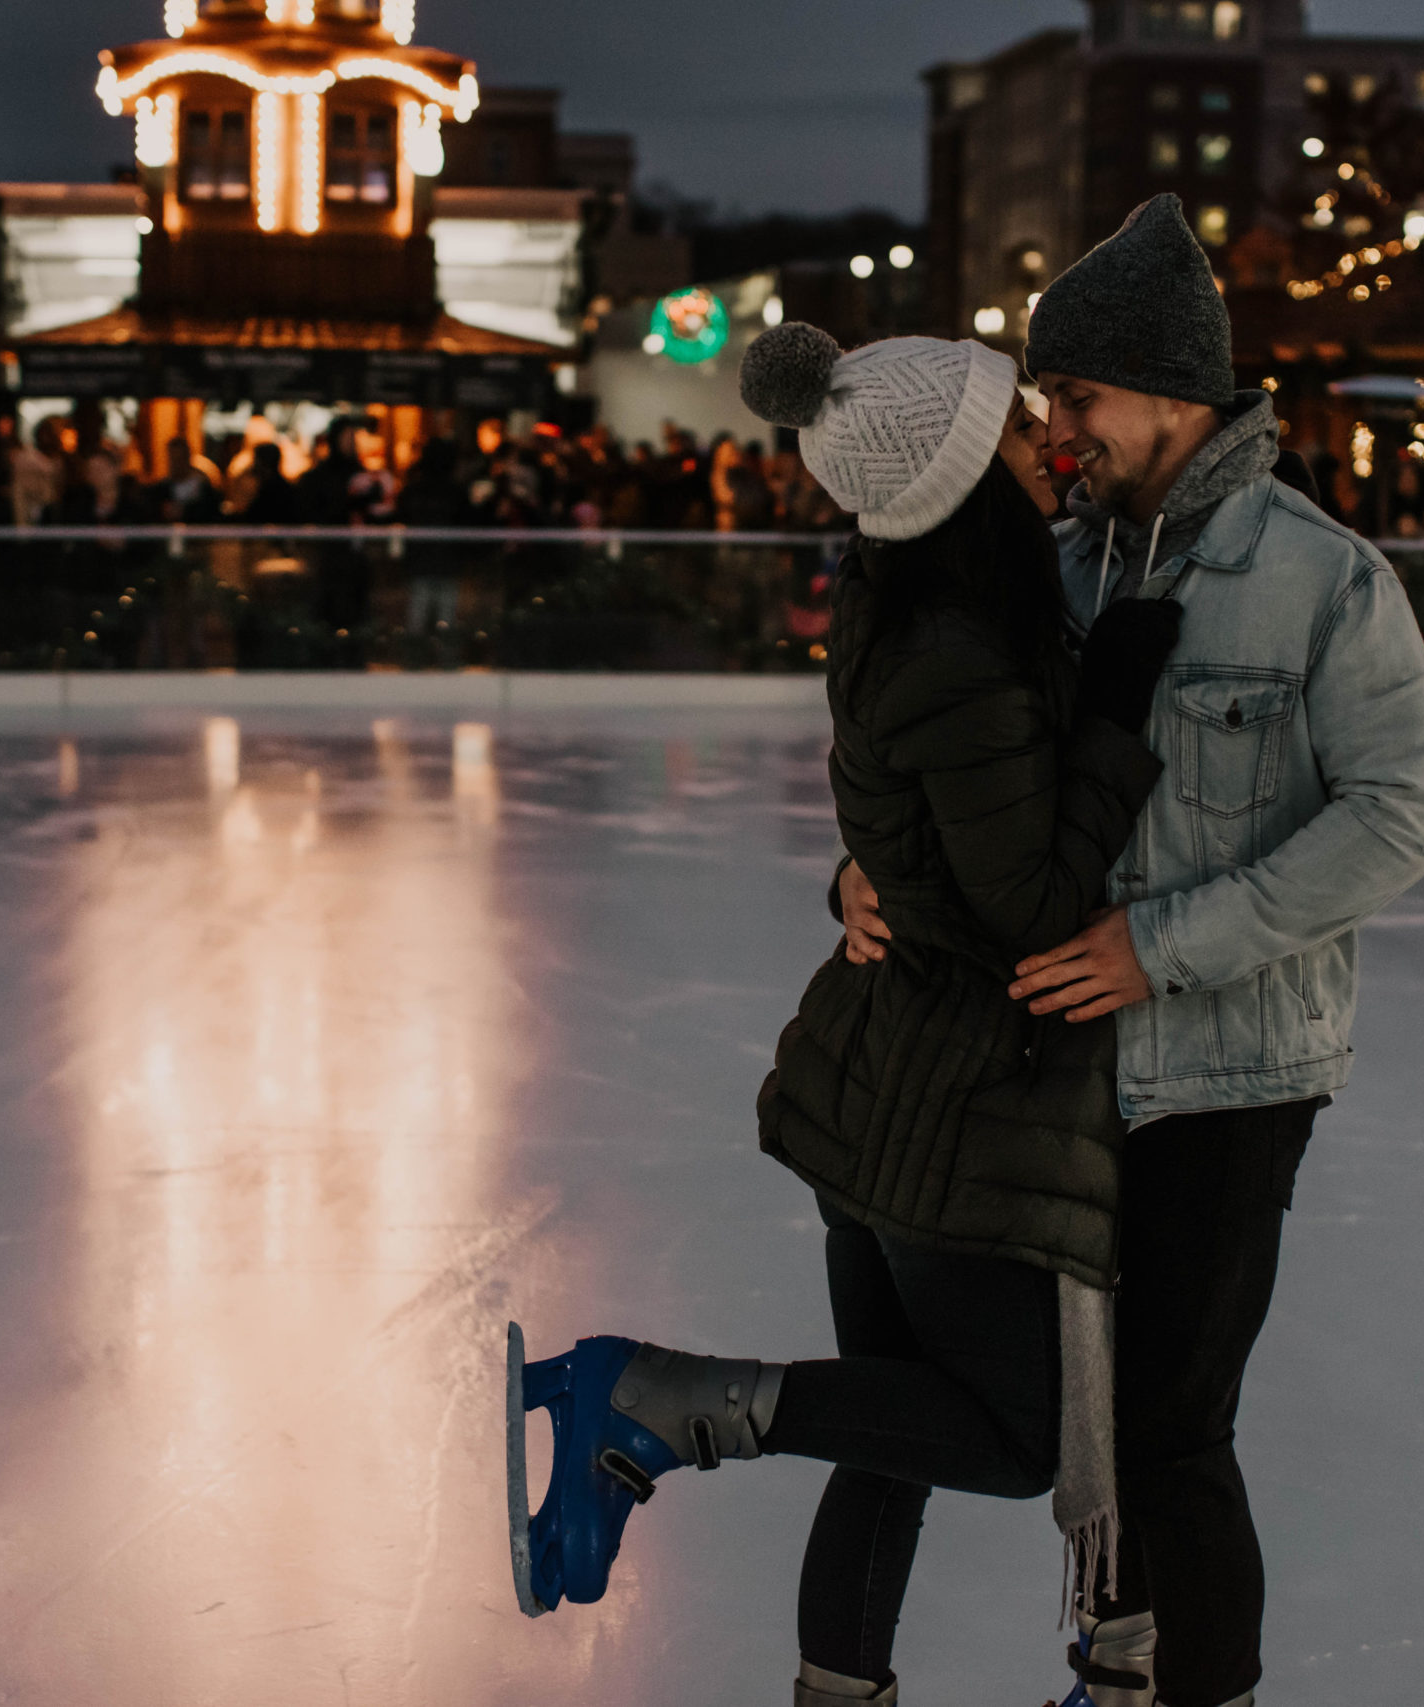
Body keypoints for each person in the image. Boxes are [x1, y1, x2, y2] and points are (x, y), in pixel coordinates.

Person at [510, 323, 1181, 1707]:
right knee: (1005, 1441)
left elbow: (918, 836)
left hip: (877, 1073)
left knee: (892, 1435)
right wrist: (1117, 712)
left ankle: (833, 1688)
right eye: (1012, 433)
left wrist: (857, 874)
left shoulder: (913, 606)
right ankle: (652, 1397)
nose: (1044, 446)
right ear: (955, 477)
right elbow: (1033, 904)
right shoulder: (969, 650)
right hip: (956, 1101)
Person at [841, 193, 1424, 1707]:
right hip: (1066, 1066)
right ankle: (1114, 1678)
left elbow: (1400, 815)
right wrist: (859, 872)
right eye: (1049, 397)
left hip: (1230, 1081)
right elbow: (963, 765)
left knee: (1176, 1433)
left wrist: (1163, 948)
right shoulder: (1062, 566)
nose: (1057, 426)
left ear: (1173, 390)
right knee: (1094, 1426)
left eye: (1079, 395)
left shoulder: (1322, 579)